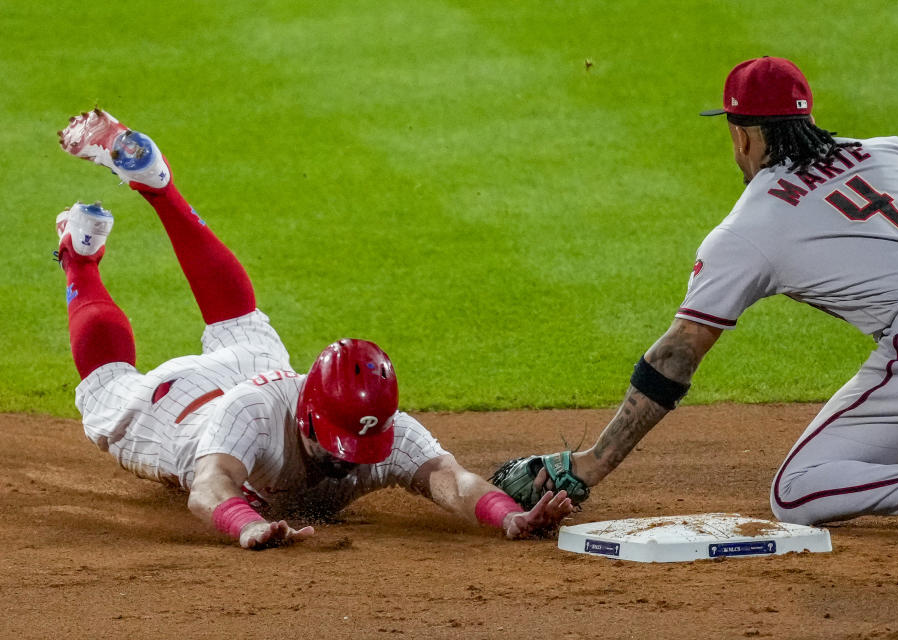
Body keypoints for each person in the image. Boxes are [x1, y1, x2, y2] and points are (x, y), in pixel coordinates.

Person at [55, 109, 573, 550]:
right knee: (107, 391)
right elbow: (209, 488)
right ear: (308, 416)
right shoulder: (250, 418)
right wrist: (250, 526)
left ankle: (161, 190)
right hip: (180, 408)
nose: (349, 464)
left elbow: (451, 479)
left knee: (240, 321)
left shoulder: (373, 422)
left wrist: (508, 515)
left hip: (259, 365)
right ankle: (80, 258)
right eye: (338, 444)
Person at [492, 56, 898, 543]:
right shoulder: (893, 152)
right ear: (809, 118)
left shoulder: (752, 225)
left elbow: (677, 353)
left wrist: (590, 465)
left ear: (742, 136)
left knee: (797, 491)